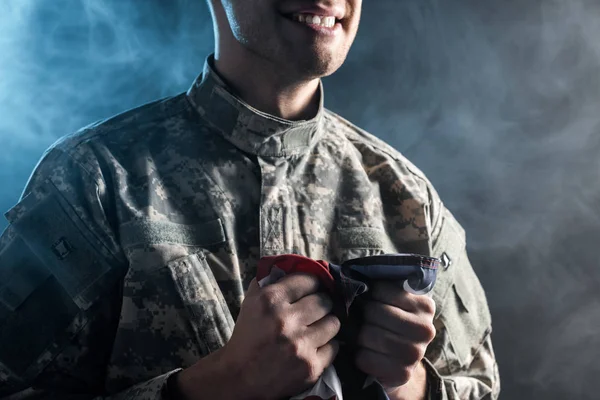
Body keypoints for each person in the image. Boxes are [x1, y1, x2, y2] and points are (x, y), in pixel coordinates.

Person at [0, 0, 500, 399]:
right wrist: (216, 388)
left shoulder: (406, 196)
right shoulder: (96, 181)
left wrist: (413, 388)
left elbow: (479, 385)